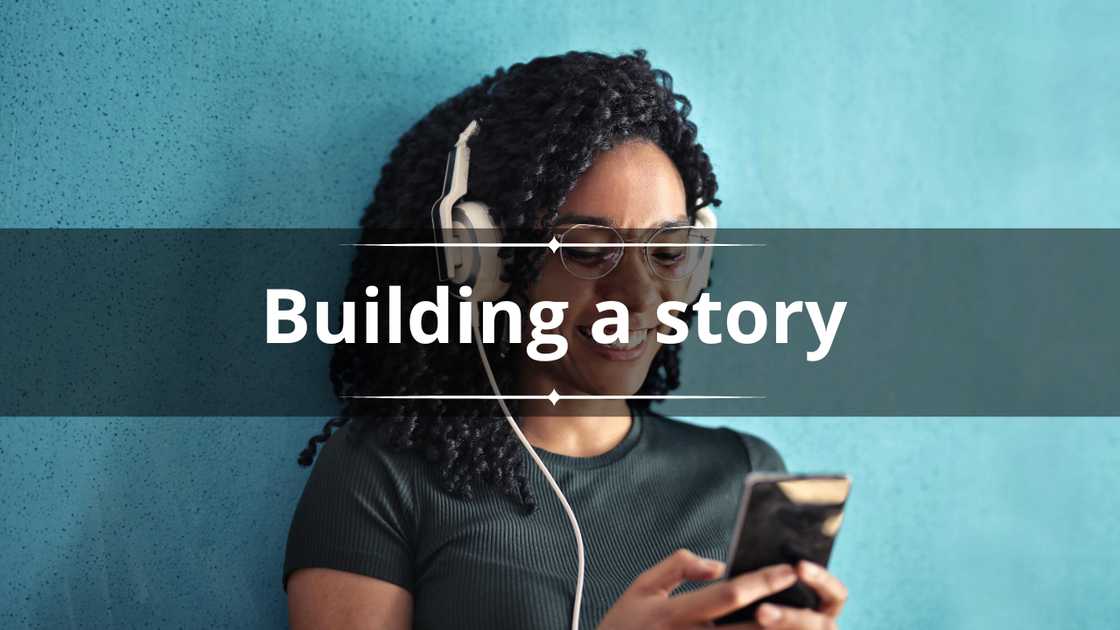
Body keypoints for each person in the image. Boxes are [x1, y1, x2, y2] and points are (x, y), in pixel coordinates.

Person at [284, 49, 848, 629]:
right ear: (484, 260)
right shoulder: (382, 474)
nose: (638, 297)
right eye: (585, 249)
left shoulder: (741, 473)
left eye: (669, 250)